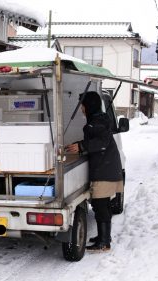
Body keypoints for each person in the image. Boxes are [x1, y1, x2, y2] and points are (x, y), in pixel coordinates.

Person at [65, 91, 123, 252]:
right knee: (100, 205)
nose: (82, 109)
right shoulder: (98, 120)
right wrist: (79, 145)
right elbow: (97, 140)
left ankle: (104, 242)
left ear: (89, 106)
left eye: (83, 105)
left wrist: (82, 146)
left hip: (105, 170)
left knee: (101, 205)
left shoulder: (96, 122)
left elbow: (101, 142)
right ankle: (103, 237)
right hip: (107, 168)